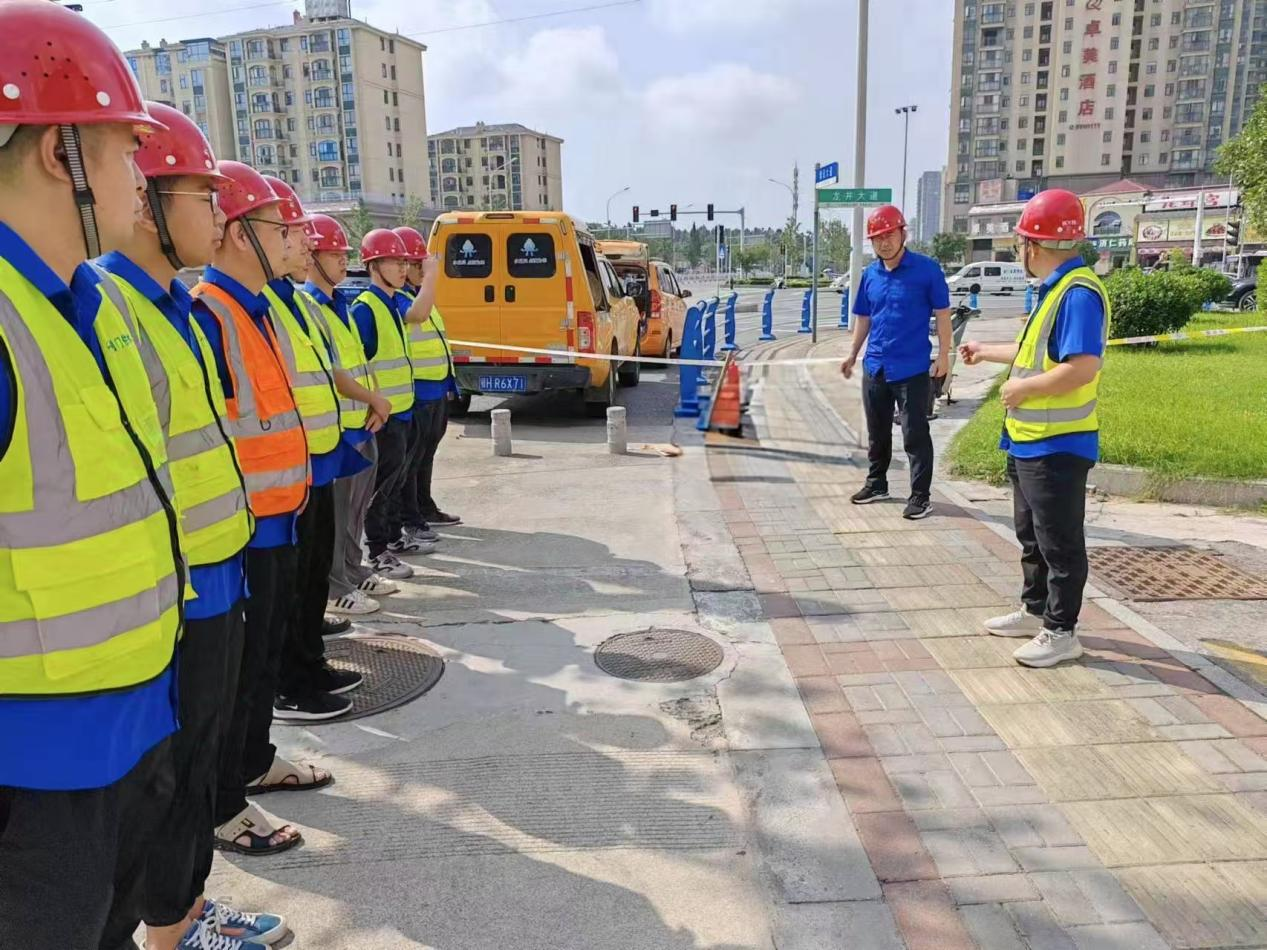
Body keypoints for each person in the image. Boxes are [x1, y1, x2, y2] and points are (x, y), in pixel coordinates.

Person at [0, 6, 183, 949]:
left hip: (132, 715)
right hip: (34, 765)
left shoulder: (90, 303)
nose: (141, 179)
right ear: (56, 153)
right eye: (124, 152)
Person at [98, 102, 287, 950]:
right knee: (165, 780)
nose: (219, 215)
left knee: (195, 762)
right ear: (147, 202)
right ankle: (171, 927)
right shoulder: (115, 312)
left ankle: (182, 912)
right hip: (172, 594)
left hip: (215, 571)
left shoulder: (171, 307)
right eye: (203, 197)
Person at [190, 161, 322, 857]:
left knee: (262, 660)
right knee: (235, 676)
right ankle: (224, 802)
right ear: (241, 235)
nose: (292, 239)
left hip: (277, 516)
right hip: (240, 529)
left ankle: (253, 760)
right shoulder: (209, 315)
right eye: (279, 228)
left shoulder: (258, 310)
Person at [959, 189, 1108, 668]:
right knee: (1032, 536)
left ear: (1034, 245)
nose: (1019, 251)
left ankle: (1061, 631)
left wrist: (1024, 389)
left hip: (1058, 444)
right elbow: (1035, 352)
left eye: (1021, 242)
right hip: (1029, 441)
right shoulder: (1053, 289)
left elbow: (1082, 367)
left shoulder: (1078, 294)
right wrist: (985, 351)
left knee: (1059, 542)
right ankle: (1035, 611)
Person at [260, 175, 389, 719]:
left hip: (318, 457)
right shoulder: (255, 306)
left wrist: (368, 397)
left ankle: (310, 664)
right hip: (282, 473)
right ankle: (290, 683)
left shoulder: (298, 304)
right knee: (288, 586)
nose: (303, 245)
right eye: (290, 234)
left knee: (312, 575)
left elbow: (325, 371)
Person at [303, 214, 397, 615]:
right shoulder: (311, 307)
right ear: (311, 257)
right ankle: (335, 585)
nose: (343, 260)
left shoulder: (340, 303)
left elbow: (359, 362)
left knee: (355, 511)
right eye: (333, 253)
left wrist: (374, 401)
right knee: (337, 516)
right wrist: (373, 399)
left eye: (344, 253)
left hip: (361, 423)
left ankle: (354, 571)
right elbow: (332, 371)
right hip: (338, 428)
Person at [840, 204, 951, 520]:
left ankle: (920, 496)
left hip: (912, 369)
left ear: (903, 233)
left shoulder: (927, 270)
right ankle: (877, 484)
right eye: (877, 238)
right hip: (875, 366)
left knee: (915, 434)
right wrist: (852, 353)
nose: (884, 242)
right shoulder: (870, 275)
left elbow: (943, 314)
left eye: (889, 235)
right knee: (877, 432)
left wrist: (944, 355)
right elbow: (864, 318)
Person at [350, 229, 440, 578]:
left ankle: (391, 539)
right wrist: (372, 403)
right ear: (373, 266)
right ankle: (376, 551)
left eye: (405, 262)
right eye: (393, 262)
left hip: (402, 410)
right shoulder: (366, 308)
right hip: (383, 416)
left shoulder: (391, 303)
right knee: (379, 488)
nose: (403, 268)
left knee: (395, 482)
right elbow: (358, 366)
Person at [395, 226, 462, 544]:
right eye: (416, 264)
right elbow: (417, 317)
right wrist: (433, 277)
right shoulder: (399, 300)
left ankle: (424, 506)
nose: (423, 270)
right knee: (411, 460)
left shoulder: (420, 296)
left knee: (426, 454)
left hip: (435, 389)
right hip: (417, 391)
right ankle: (410, 517)